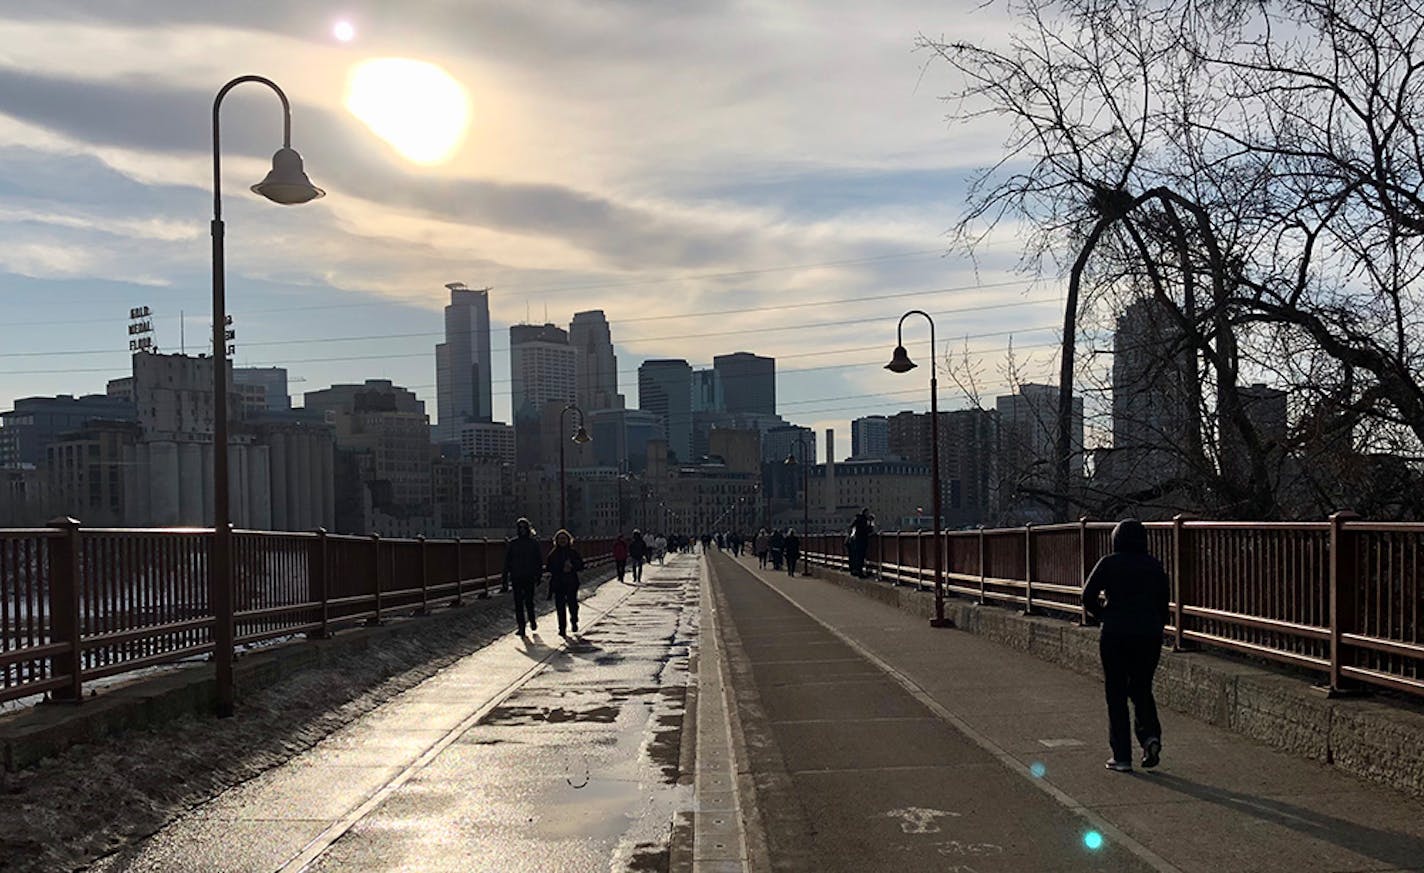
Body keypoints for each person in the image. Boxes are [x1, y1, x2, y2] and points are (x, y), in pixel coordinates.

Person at [1082, 518, 1171, 773]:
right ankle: (1150, 737)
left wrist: (1104, 616)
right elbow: (1164, 602)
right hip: (1148, 635)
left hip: (1115, 634)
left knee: (1116, 693)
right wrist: (1156, 625)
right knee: (1142, 687)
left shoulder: (1109, 563)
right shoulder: (1154, 566)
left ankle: (1121, 756)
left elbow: (1087, 596)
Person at [501, 517, 544, 636]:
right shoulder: (513, 543)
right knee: (518, 603)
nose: (522, 530)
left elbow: (538, 561)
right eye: (520, 528)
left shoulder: (533, 543)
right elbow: (507, 561)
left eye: (524, 528)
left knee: (529, 601)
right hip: (517, 576)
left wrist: (539, 575)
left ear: (528, 529)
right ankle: (521, 627)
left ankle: (532, 619)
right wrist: (505, 577)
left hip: (529, 576)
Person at [545, 529, 585, 636]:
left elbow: (581, 565)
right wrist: (560, 568)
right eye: (560, 539)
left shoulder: (573, 553)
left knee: (573, 604)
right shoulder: (553, 554)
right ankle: (562, 628)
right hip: (558, 583)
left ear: (568, 540)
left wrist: (572, 566)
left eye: (564, 538)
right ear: (556, 540)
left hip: (571, 582)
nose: (562, 541)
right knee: (560, 606)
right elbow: (549, 567)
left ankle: (574, 619)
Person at [848, 508, 874, 577]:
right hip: (861, 540)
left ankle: (854, 570)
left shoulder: (857, 518)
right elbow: (868, 530)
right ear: (865, 513)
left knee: (855, 557)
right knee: (860, 557)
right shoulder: (863, 520)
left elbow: (850, 527)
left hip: (854, 540)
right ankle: (859, 572)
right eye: (867, 513)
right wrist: (871, 522)